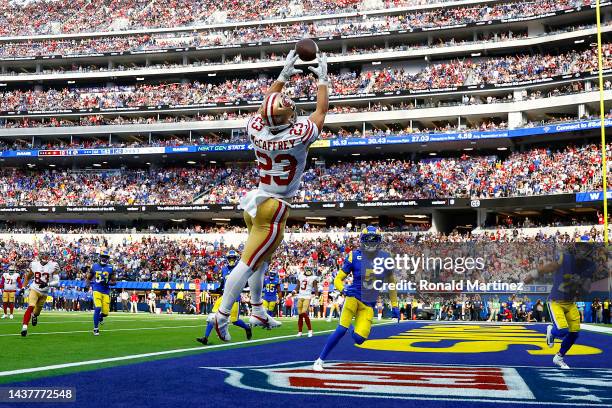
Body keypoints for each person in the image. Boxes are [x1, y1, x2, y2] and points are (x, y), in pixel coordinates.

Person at [213, 49, 329, 342]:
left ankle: (257, 309)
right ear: (287, 117)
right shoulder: (299, 134)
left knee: (261, 261)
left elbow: (265, 107)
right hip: (274, 207)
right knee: (248, 262)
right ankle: (223, 315)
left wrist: (282, 76)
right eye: (290, 111)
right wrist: (323, 80)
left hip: (255, 202)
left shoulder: (255, 129)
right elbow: (321, 112)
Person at [313, 226, 399, 371]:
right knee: (341, 330)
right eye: (368, 240)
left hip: (369, 304)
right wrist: (343, 289)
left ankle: (353, 327)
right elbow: (338, 279)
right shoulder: (354, 255)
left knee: (359, 339)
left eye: (374, 240)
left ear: (379, 242)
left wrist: (395, 305)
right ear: (362, 241)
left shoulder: (385, 258)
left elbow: (392, 283)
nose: (371, 243)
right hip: (353, 297)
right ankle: (320, 360)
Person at [526, 243, 595, 369]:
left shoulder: (590, 266)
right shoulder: (565, 258)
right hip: (556, 301)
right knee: (563, 330)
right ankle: (551, 331)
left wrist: (581, 283)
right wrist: (534, 274)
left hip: (570, 303)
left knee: (574, 333)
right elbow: (550, 267)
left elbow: (587, 287)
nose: (582, 250)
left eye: (585, 248)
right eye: (580, 246)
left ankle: (559, 357)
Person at [196, 250, 252, 345]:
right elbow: (223, 282)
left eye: (233, 258)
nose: (231, 259)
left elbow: (246, 282)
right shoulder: (224, 269)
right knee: (212, 317)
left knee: (234, 321)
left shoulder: (239, 269)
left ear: (236, 259)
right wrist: (218, 289)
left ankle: (247, 327)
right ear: (227, 259)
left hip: (235, 297)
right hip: (224, 296)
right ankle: (205, 337)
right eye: (230, 258)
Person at [21, 251, 60, 337]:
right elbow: (28, 277)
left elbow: (57, 282)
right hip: (34, 289)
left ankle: (34, 316)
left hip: (45, 292)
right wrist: (23, 287)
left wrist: (47, 284)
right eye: (44, 256)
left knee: (37, 312)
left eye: (47, 256)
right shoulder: (34, 264)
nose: (45, 258)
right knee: (31, 306)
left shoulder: (53, 265)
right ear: (40, 257)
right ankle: (24, 327)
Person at [85, 248, 117, 336]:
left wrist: (107, 282)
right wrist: (87, 285)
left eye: (106, 257)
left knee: (106, 313)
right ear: (100, 257)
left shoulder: (111, 268)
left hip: (106, 291)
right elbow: (89, 278)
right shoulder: (94, 266)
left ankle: (100, 318)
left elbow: (114, 282)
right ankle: (95, 328)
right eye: (103, 256)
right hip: (97, 289)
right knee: (98, 308)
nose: (104, 258)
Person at [296, 264, 318, 337]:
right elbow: (298, 286)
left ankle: (310, 330)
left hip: (307, 296)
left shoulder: (313, 278)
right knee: (300, 315)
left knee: (303, 312)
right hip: (300, 295)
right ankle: (300, 331)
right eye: (307, 269)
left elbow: (315, 287)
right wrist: (293, 291)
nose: (308, 270)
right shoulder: (300, 276)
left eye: (309, 269)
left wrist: (317, 295)